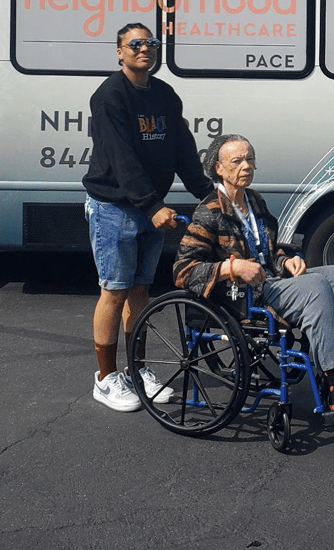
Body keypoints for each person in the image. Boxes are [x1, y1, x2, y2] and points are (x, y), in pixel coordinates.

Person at [174, 134, 334, 416]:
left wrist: (286, 262)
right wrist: (231, 268)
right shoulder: (208, 212)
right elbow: (183, 271)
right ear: (218, 169)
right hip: (245, 295)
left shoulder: (255, 201)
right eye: (237, 161)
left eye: (250, 159)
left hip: (271, 281)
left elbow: (269, 253)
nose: (246, 165)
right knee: (317, 286)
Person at [83, 22, 213, 412]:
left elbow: (183, 152)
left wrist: (209, 195)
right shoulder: (110, 97)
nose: (144, 49)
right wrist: (153, 206)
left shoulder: (166, 96)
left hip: (149, 208)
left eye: (150, 43)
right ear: (119, 52)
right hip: (114, 209)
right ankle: (105, 379)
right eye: (135, 44)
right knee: (114, 290)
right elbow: (123, 160)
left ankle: (137, 371)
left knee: (140, 292)